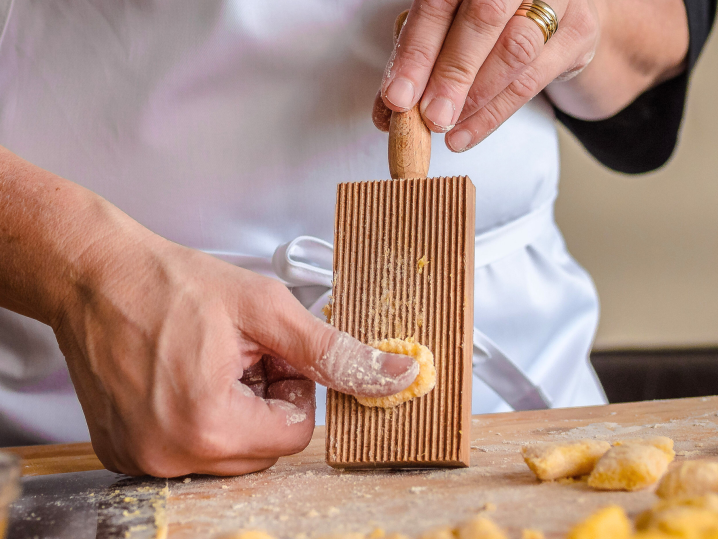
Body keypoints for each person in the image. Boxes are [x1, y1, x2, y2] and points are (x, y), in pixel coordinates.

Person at [0, 0, 713, 476]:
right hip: (96, 391)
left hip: (519, 406)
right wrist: (85, 268)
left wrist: (582, 14)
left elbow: (669, 23)